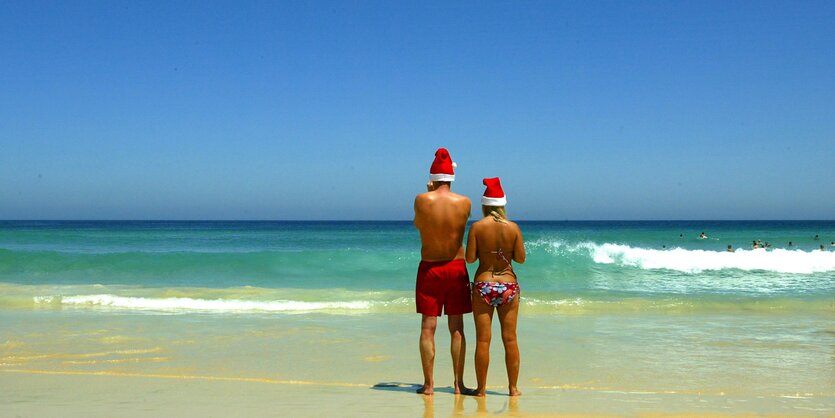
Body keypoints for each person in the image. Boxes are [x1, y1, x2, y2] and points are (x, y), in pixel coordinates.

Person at [413, 148, 474, 396]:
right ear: (451, 177)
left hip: (430, 268)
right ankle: (458, 385)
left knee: (428, 327)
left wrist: (429, 192)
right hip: (456, 267)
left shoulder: (421, 200)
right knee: (457, 326)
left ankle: (429, 385)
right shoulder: (465, 202)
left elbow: (419, 223)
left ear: (433, 176)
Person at [465, 177, 525, 397]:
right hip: (508, 286)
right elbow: (521, 259)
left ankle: (481, 390)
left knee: (483, 340)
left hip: (483, 285)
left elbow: (470, 259)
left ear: (484, 204)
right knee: (510, 338)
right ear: (502, 204)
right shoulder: (514, 228)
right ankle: (512, 388)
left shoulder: (477, 227)